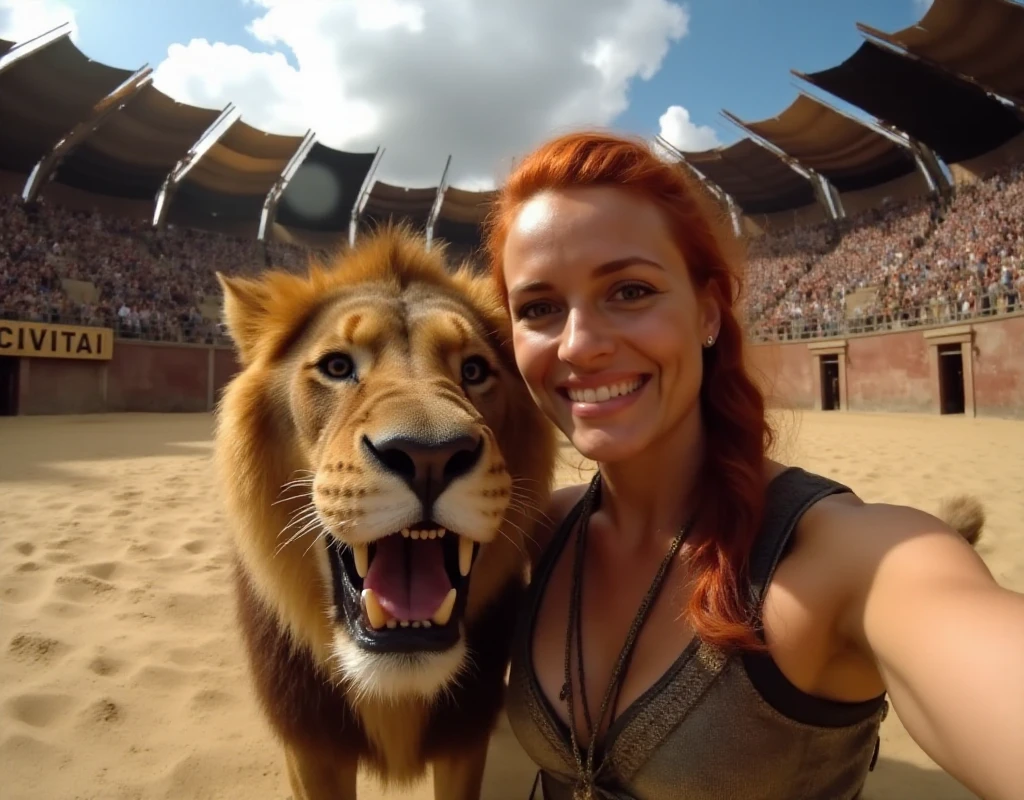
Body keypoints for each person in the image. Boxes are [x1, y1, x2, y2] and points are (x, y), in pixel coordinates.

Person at [482, 131, 1024, 800]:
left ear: (708, 312)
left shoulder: (847, 558)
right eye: (538, 308)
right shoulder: (535, 534)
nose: (580, 343)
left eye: (628, 291)